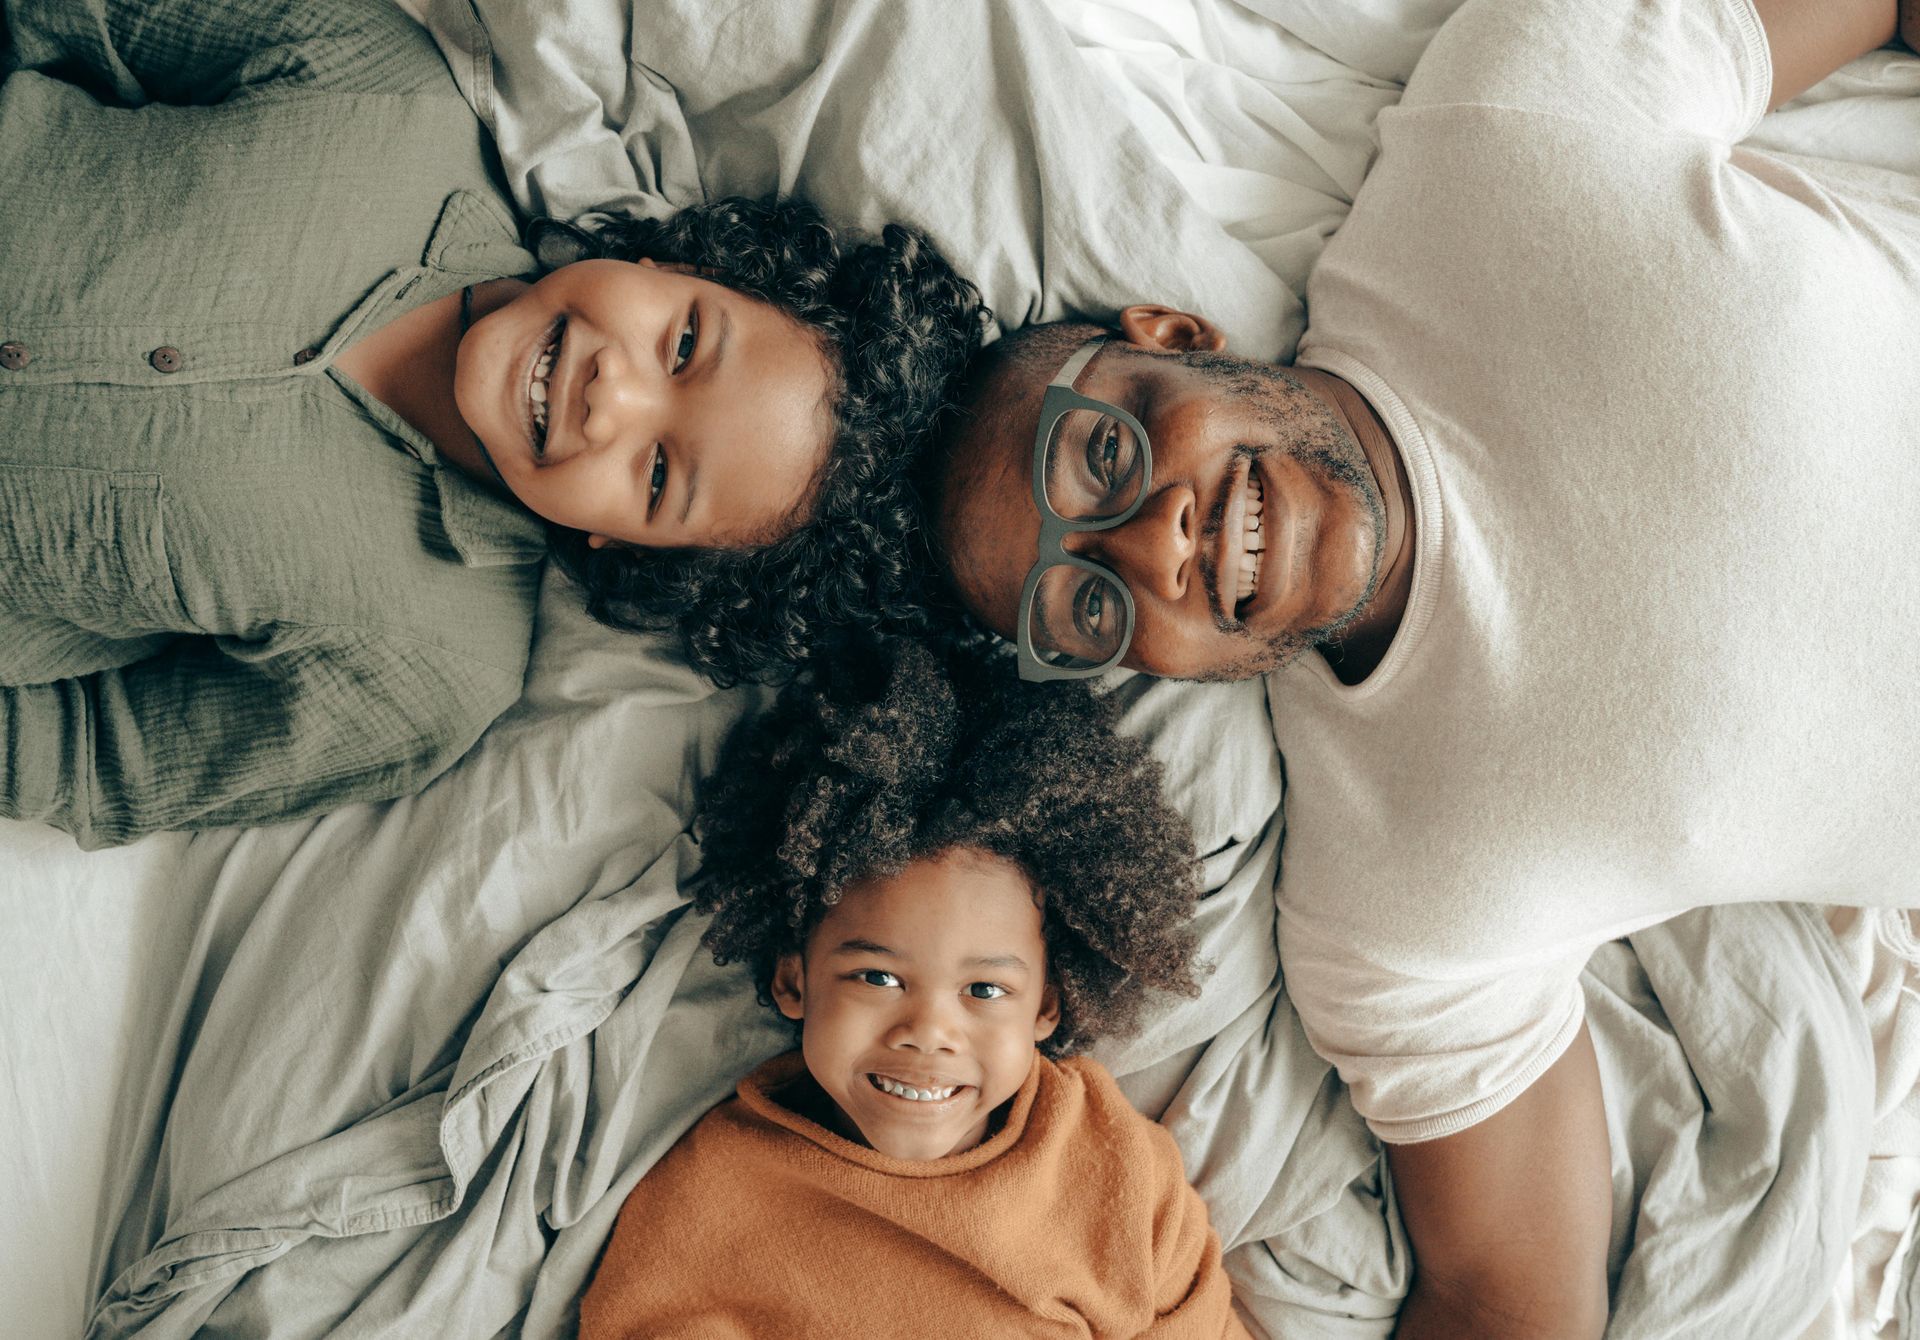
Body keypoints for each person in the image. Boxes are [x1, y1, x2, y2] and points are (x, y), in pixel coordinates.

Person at [925, 0, 1920, 1334]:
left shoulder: (1499, 138)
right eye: (1092, 605)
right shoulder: (1389, 912)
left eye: (1102, 456)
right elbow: (1511, 1302)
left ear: (1170, 336)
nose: (1155, 542)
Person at [0, 0, 982, 849]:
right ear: (679, 265)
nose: (615, 398)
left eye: (656, 476)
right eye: (683, 344)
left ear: (628, 544)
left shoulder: (425, 674)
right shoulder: (381, 92)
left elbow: (97, 760)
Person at [578, 640, 1247, 1338]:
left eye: (985, 991)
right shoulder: (710, 1199)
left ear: (1047, 1005)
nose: (928, 1030)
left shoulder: (1113, 1173)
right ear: (792, 978)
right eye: (878, 977)